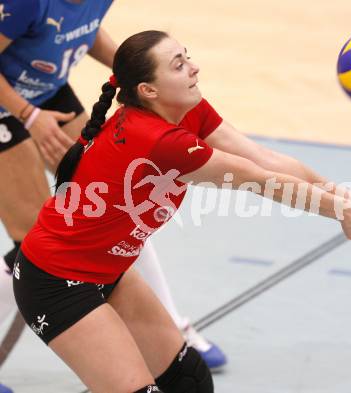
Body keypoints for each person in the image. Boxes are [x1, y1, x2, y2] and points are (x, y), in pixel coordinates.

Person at [12, 30, 351, 392]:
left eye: (186, 56)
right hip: (55, 282)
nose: (194, 68)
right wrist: (339, 210)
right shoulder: (158, 140)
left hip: (108, 271)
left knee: (187, 381)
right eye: (178, 65)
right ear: (148, 90)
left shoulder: (186, 111)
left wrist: (341, 197)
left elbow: (263, 158)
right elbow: (259, 179)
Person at [0, 2, 227, 384]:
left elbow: (81, 30)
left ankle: (173, 324)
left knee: (122, 202)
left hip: (45, 92)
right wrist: (28, 115)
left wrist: (130, 68)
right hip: (12, 103)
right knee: (30, 243)